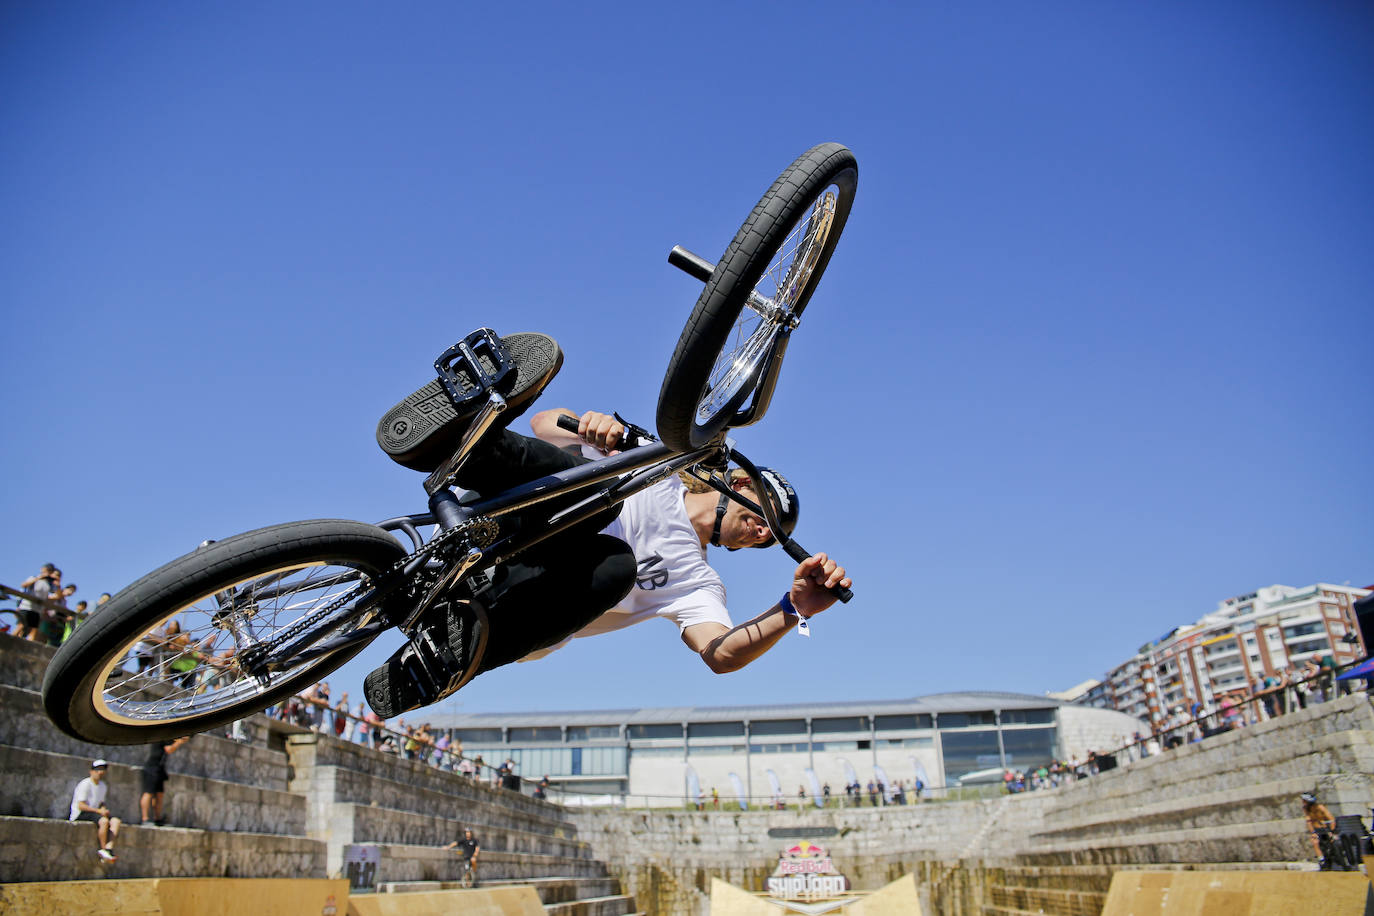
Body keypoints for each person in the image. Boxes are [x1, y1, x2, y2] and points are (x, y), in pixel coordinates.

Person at [361, 334, 850, 718]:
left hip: (517, 604)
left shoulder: (697, 584)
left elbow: (720, 654)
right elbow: (546, 426)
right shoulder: (650, 466)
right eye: (767, 514)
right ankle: (452, 445)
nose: (765, 532)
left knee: (618, 563)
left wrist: (794, 608)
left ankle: (443, 660)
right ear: (738, 483)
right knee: (596, 488)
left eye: (773, 538)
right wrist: (592, 427)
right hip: (503, 520)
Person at [70, 759, 121, 862]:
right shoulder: (85, 784)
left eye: (102, 770)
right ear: (91, 771)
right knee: (104, 821)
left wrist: (103, 809)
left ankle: (109, 847)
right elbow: (81, 806)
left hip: (95, 812)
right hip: (81, 813)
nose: (100, 772)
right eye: (98, 769)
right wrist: (99, 811)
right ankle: (103, 850)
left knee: (115, 821)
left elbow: (101, 802)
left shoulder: (103, 786)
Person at [139, 735, 190, 825]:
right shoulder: (162, 736)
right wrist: (179, 742)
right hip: (152, 767)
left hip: (160, 768)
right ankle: (145, 818)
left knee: (159, 794)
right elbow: (169, 749)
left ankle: (157, 818)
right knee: (148, 792)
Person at [15, 563, 57, 642]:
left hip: (38, 610)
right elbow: (24, 585)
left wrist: (57, 584)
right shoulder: (34, 578)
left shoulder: (49, 584)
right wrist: (39, 577)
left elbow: (55, 596)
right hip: (26, 606)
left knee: (33, 630)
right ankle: (9, 642)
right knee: (21, 627)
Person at [1301, 792, 1336, 867]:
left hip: (1326, 828)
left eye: (1304, 800)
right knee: (1315, 841)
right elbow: (1309, 821)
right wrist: (1313, 832)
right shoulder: (1306, 809)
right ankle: (1321, 859)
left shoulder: (1320, 807)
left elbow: (1331, 818)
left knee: (1333, 840)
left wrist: (1332, 831)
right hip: (1317, 830)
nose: (1303, 802)